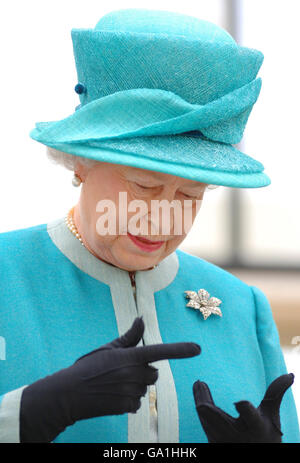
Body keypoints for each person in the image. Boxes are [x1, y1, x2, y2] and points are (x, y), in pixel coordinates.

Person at [0, 8, 299, 443]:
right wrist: (26, 415)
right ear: (82, 160)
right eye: (143, 185)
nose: (160, 217)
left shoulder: (242, 307)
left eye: (188, 195)